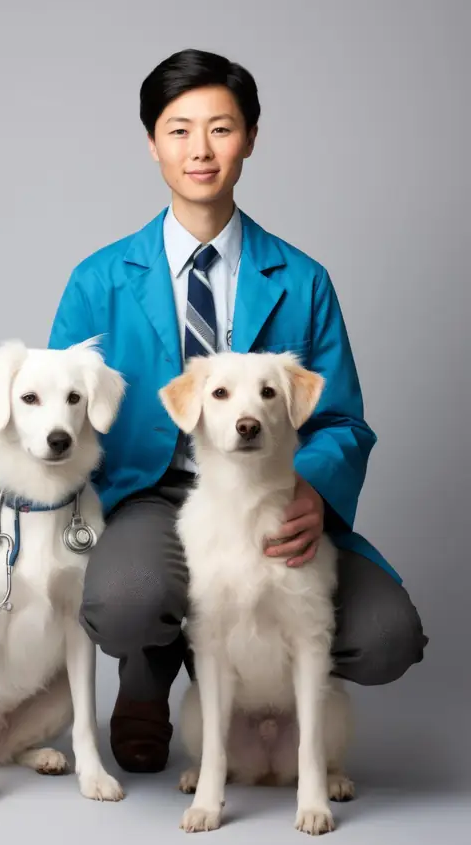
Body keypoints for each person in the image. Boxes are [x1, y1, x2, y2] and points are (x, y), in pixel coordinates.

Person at [48, 48, 428, 774]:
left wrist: (311, 488)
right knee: (128, 596)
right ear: (151, 142)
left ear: (251, 137)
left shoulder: (303, 278)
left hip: (272, 493)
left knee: (385, 637)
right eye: (179, 129)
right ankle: (148, 680)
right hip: (151, 497)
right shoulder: (98, 281)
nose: (200, 150)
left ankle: (263, 691)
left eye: (221, 129)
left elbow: (343, 420)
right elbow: (60, 420)